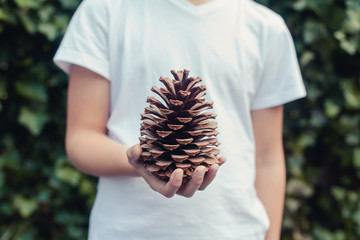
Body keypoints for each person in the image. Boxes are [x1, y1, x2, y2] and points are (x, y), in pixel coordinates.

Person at [54, 0, 306, 239]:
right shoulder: (104, 10)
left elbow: (268, 160)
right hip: (127, 232)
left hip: (237, 231)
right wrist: (142, 162)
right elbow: (81, 138)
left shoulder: (265, 28)